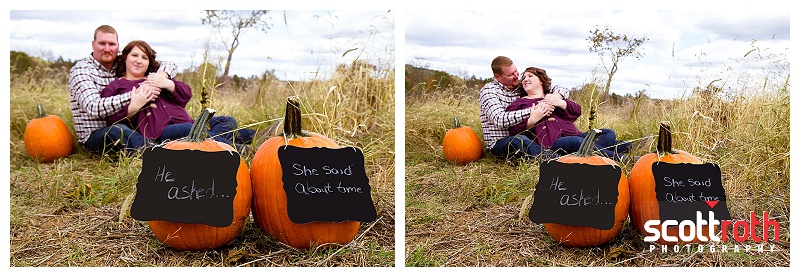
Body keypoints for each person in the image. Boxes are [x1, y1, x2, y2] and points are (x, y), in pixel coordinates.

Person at [100, 40, 250, 146]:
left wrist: (167, 83)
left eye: (144, 57)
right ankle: (237, 149)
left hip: (188, 122)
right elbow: (112, 121)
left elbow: (186, 94)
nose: (139, 61)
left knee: (227, 121)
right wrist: (133, 107)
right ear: (125, 57)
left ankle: (259, 136)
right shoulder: (117, 86)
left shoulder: (158, 76)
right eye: (135, 55)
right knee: (188, 130)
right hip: (160, 132)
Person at [69, 25, 176, 154]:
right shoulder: (82, 70)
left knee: (156, 128)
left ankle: (178, 146)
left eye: (112, 44)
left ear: (118, 46)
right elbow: (93, 107)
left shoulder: (122, 64)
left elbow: (169, 64)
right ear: (93, 45)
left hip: (133, 128)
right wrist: (137, 94)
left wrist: (159, 78)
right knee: (117, 131)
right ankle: (159, 155)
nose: (107, 49)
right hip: (96, 135)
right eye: (102, 43)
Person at [506, 66, 631, 159]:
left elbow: (577, 111)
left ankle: (625, 147)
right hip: (552, 142)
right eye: (523, 78)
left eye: (530, 76)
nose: (525, 79)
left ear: (541, 81)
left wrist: (560, 102)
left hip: (576, 134)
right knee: (577, 143)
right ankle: (620, 158)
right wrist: (532, 119)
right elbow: (513, 131)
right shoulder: (519, 103)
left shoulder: (554, 96)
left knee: (608, 133)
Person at [479, 56, 558, 160]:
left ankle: (581, 151)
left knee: (559, 138)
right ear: (497, 77)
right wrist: (535, 110)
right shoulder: (489, 91)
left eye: (516, 71)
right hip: (501, 143)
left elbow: (558, 88)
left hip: (531, 137)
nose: (516, 76)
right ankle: (558, 161)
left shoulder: (520, 86)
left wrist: (556, 97)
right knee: (519, 141)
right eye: (511, 75)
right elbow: (499, 119)